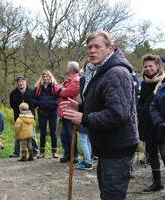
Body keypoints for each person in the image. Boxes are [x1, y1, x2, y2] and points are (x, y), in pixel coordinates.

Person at [63, 31, 139, 200]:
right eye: (90, 47)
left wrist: (84, 118)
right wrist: (81, 106)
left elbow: (118, 114)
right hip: (107, 145)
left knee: (113, 196)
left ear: (110, 48)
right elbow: (103, 102)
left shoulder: (117, 73)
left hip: (118, 146)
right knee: (107, 193)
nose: (92, 51)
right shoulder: (100, 71)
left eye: (97, 46)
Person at [138, 54, 165, 192]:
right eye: (146, 66)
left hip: (161, 125)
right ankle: (157, 182)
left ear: (157, 66)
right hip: (148, 125)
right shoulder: (144, 83)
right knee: (152, 154)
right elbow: (142, 102)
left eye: (151, 66)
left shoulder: (163, 82)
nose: (148, 69)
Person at [9, 75, 39, 158]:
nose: (21, 83)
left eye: (22, 81)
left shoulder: (32, 91)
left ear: (25, 82)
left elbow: (36, 103)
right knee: (17, 134)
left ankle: (35, 152)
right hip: (18, 117)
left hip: (30, 117)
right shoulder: (13, 93)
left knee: (32, 135)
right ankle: (16, 152)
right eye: (19, 82)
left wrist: (28, 110)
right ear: (17, 83)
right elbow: (12, 105)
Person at [57, 61, 80, 163]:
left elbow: (66, 92)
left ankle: (74, 155)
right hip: (64, 112)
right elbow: (57, 88)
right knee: (64, 135)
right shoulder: (67, 80)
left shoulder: (76, 80)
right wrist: (61, 90)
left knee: (72, 134)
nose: (66, 68)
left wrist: (62, 90)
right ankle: (67, 154)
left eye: (67, 66)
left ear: (71, 69)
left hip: (71, 111)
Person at [33, 70, 59, 158]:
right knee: (42, 132)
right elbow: (33, 99)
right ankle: (42, 152)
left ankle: (54, 152)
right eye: (44, 77)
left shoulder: (55, 87)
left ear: (50, 77)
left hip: (53, 113)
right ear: (42, 78)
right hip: (42, 112)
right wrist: (38, 104)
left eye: (47, 76)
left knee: (53, 132)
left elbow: (59, 98)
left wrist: (54, 104)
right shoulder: (38, 88)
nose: (45, 78)